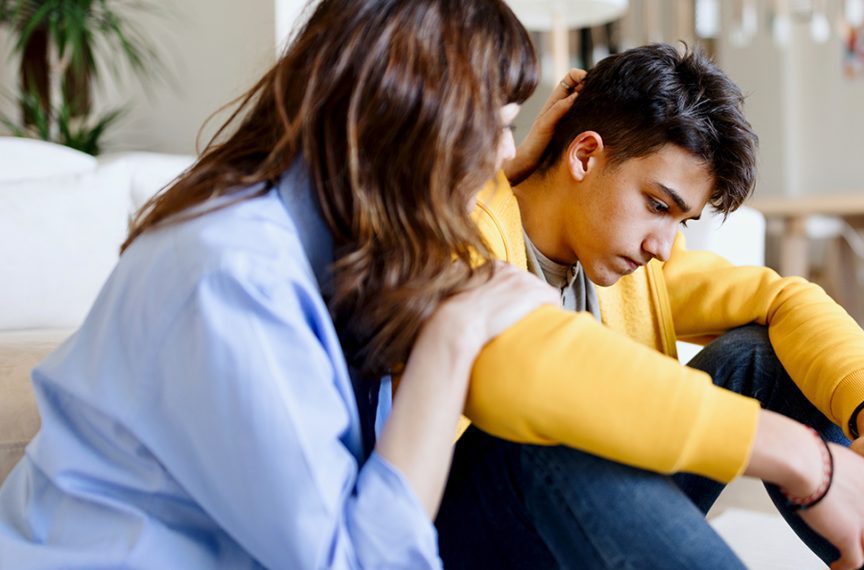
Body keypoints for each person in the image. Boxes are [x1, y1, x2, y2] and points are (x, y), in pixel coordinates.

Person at [0, 1, 557, 567]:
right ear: (412, 121)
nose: (507, 152)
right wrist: (452, 338)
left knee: (538, 454)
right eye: (497, 126)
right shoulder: (234, 275)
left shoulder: (341, 245)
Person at [437, 43, 864, 569]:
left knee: (758, 355)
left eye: (680, 220)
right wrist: (803, 459)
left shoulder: (635, 266)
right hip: (484, 535)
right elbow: (531, 374)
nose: (662, 246)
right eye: (657, 205)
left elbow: (786, 299)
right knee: (549, 428)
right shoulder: (462, 239)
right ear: (584, 155)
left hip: (596, 516)